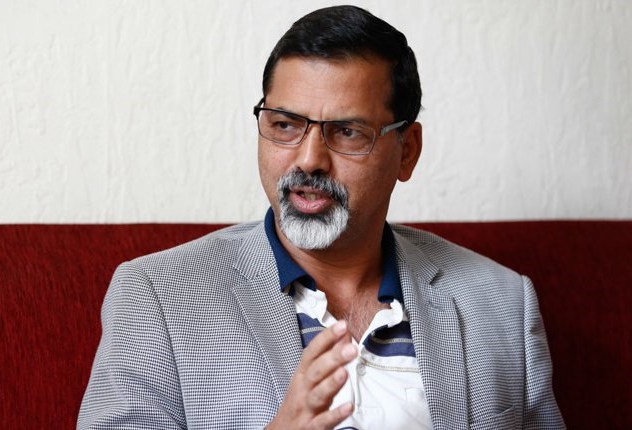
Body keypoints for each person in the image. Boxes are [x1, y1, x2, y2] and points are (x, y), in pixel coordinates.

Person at [78, 5, 564, 429]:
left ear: (407, 151)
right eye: (285, 125)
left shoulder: (501, 303)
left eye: (347, 132)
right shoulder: (157, 297)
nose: (309, 159)